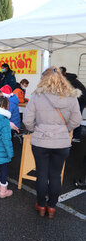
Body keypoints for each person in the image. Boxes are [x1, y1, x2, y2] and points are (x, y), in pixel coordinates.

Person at [23, 66, 82, 218]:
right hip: (61, 143)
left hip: (40, 142)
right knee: (55, 175)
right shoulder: (72, 97)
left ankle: (41, 205)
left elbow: (27, 120)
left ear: (45, 79)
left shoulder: (37, 96)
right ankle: (52, 207)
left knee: (42, 174)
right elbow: (77, 120)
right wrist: (65, 129)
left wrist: (36, 129)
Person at [60, 66, 86, 143]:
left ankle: (76, 137)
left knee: (76, 117)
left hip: (80, 99)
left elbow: (66, 93)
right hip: (78, 98)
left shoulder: (68, 80)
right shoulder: (68, 77)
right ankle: (70, 135)